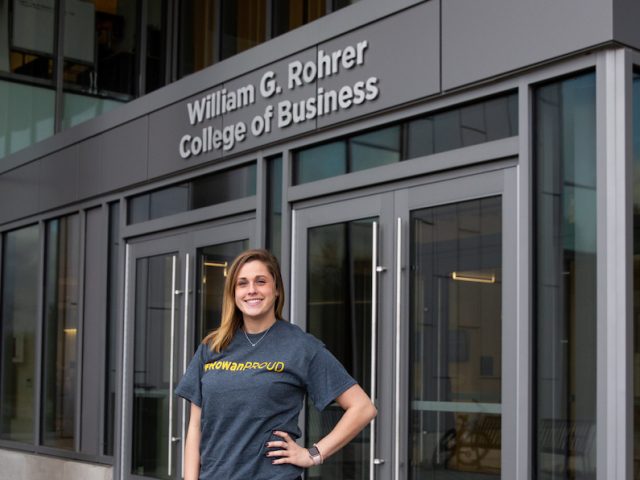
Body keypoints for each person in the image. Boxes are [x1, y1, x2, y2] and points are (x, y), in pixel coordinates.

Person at [175, 248, 377, 480]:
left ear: (277, 289)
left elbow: (362, 408)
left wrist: (313, 454)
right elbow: (195, 427)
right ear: (233, 292)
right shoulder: (212, 347)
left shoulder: (300, 346)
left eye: (261, 281)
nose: (252, 290)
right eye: (242, 283)